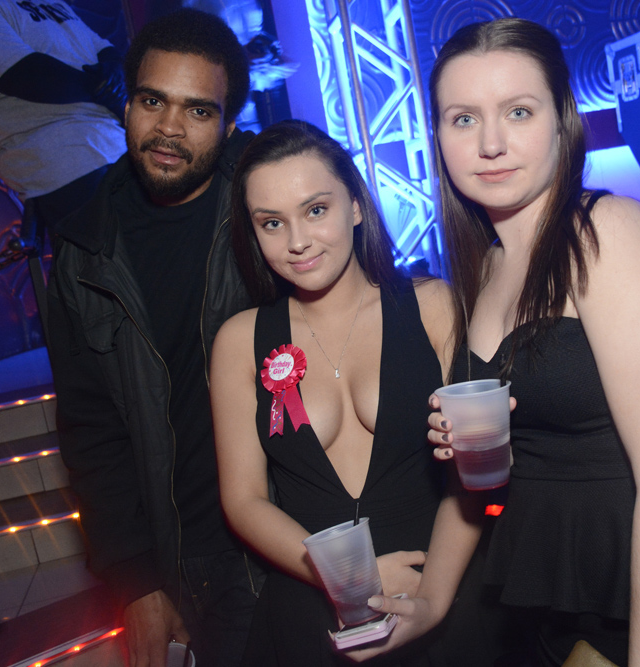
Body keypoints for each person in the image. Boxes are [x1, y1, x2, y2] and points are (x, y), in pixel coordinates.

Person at [348, 18, 640, 667]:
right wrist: (435, 595)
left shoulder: (607, 234)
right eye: (463, 119)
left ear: (562, 120)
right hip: (566, 582)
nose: (490, 143)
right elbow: (508, 461)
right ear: (437, 136)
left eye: (518, 112)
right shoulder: (487, 269)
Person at [209, 120, 498, 665]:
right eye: (272, 223)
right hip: (310, 608)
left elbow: (472, 473)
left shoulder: (433, 306)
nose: (297, 241)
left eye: (316, 209)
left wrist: (434, 600)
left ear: (357, 206)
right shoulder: (239, 341)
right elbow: (243, 501)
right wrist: (348, 577)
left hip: (435, 582)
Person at [45, 10, 263, 667]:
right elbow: (91, 430)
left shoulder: (269, 208)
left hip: (299, 538)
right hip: (189, 568)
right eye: (151, 101)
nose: (169, 128)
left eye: (198, 110)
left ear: (229, 126)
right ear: (126, 105)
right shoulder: (84, 250)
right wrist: (135, 580)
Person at [0, 0, 127, 230]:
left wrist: (115, 74)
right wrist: (104, 87)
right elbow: (31, 78)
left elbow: (104, 50)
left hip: (116, 145)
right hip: (67, 163)